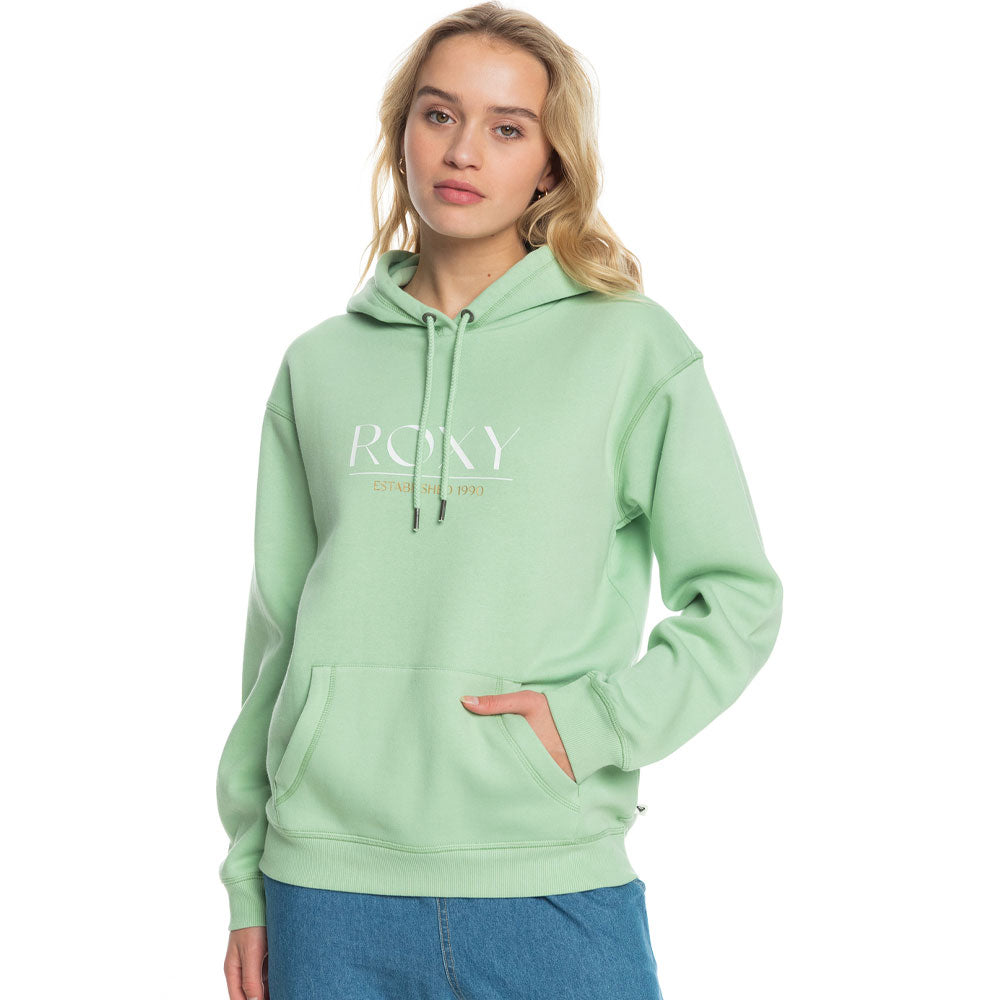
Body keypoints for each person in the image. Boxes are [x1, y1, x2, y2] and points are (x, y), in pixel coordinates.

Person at [216, 4, 784, 998]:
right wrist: (246, 879)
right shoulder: (320, 365)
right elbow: (276, 630)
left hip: (549, 877)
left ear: (551, 165)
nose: (463, 150)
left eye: (507, 127)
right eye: (438, 114)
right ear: (402, 131)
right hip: (326, 887)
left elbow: (738, 597)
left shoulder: (630, 349)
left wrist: (596, 726)